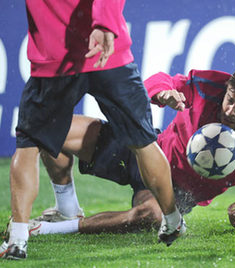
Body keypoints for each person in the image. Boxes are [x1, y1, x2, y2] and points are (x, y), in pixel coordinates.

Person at [3, 68, 235, 239]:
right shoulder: (210, 85)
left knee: (151, 216)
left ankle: (45, 230)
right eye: (230, 100)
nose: (230, 111)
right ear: (227, 89)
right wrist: (163, 93)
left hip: (172, 191)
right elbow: (162, 80)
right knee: (48, 129)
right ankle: (66, 205)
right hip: (144, 148)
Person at [4, 0, 185, 260]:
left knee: (29, 145)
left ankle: (18, 240)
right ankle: (172, 220)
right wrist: (104, 25)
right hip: (111, 53)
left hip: (56, 56)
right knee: (143, 141)